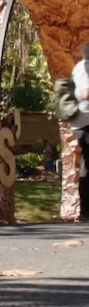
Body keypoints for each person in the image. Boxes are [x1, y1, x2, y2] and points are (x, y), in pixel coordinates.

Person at [70, 41, 89, 220]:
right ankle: (85, 211)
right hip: (86, 121)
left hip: (82, 121)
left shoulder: (79, 67)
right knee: (87, 167)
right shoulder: (84, 68)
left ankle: (85, 211)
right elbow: (85, 92)